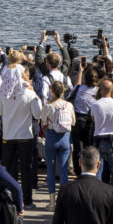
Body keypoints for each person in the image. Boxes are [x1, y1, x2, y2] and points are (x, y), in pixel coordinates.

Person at [0, 63, 41, 211]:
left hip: (8, 137)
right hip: (25, 137)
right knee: (26, 170)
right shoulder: (29, 93)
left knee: (9, 170)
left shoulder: (4, 93)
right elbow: (38, 114)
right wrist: (34, 93)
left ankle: (11, 199)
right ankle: (27, 200)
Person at [52, 145, 113, 224]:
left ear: (80, 162)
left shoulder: (65, 190)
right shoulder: (110, 191)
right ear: (98, 164)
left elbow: (57, 221)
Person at [40, 80, 76, 210]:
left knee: (50, 170)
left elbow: (42, 123)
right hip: (65, 138)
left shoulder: (48, 106)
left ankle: (52, 203)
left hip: (51, 137)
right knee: (63, 170)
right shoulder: (69, 105)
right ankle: (64, 202)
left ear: (52, 91)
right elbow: (73, 122)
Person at [89, 79, 113, 187]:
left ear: (101, 89)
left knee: (98, 169)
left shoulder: (95, 104)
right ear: (112, 90)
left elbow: (93, 118)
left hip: (99, 137)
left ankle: (98, 192)